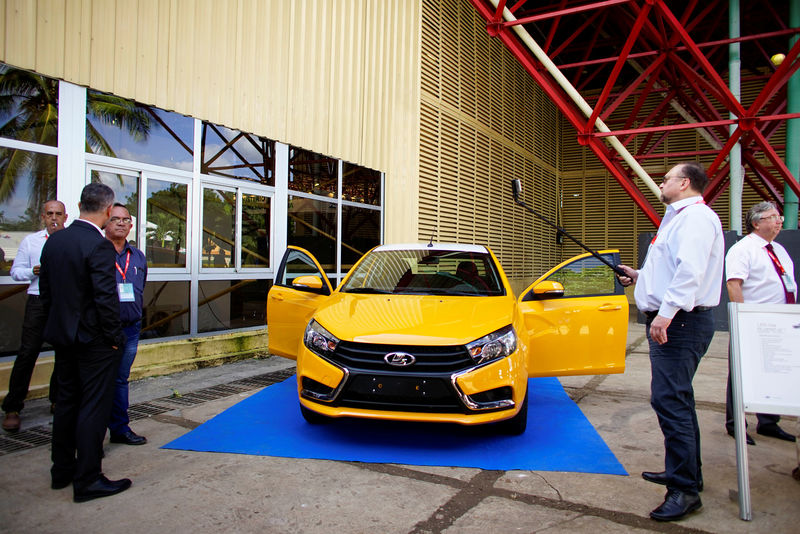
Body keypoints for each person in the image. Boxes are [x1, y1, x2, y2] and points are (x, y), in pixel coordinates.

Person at [617, 162, 724, 522]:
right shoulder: (676, 218)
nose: (661, 184)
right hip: (679, 319)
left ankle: (685, 490)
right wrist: (640, 276)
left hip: (680, 323)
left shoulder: (694, 217)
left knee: (669, 400)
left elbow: (690, 271)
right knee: (679, 398)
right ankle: (686, 472)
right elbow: (670, 269)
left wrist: (665, 314)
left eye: (665, 179)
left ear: (684, 183)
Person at [39, 183, 132, 503]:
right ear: (108, 211)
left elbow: (46, 294)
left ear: (79, 206)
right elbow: (106, 300)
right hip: (94, 343)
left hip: (63, 338)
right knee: (93, 407)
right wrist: (115, 339)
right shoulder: (99, 245)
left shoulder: (55, 241)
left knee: (66, 403)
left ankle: (61, 470)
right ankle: (88, 478)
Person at [724, 201, 797, 445]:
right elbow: (734, 284)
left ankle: (768, 422)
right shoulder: (743, 249)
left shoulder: (778, 249)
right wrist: (741, 318)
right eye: (773, 217)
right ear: (756, 222)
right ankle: (736, 424)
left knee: (772, 371)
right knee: (742, 374)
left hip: (780, 321)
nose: (779, 221)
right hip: (753, 321)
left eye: (780, 217)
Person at [2, 200, 68, 432]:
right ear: (43, 216)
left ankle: (57, 400)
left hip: (63, 302)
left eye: (58, 214)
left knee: (64, 352)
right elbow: (16, 272)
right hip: (38, 300)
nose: (54, 218)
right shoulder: (32, 242)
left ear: (65, 217)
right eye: (49, 214)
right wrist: (33, 271)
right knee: (28, 352)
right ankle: (13, 407)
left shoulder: (69, 241)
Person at [105, 203, 148, 446]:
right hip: (103, 330)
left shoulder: (138, 256)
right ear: (106, 223)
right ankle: (91, 437)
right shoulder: (98, 253)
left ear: (131, 225)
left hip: (130, 328)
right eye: (115, 219)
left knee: (121, 379)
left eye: (126, 219)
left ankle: (120, 429)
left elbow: (140, 286)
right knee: (100, 382)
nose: (121, 223)